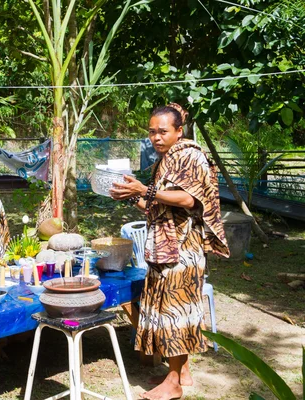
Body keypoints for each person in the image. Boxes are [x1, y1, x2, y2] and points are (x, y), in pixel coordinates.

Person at [110, 104, 229, 400]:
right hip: (165, 245)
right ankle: (183, 373)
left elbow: (188, 199)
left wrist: (146, 190)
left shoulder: (189, 155)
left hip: (181, 248)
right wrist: (130, 195)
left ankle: (173, 383)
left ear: (179, 131)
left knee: (174, 312)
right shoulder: (166, 160)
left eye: (163, 131)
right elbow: (155, 207)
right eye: (152, 132)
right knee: (175, 310)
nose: (156, 137)